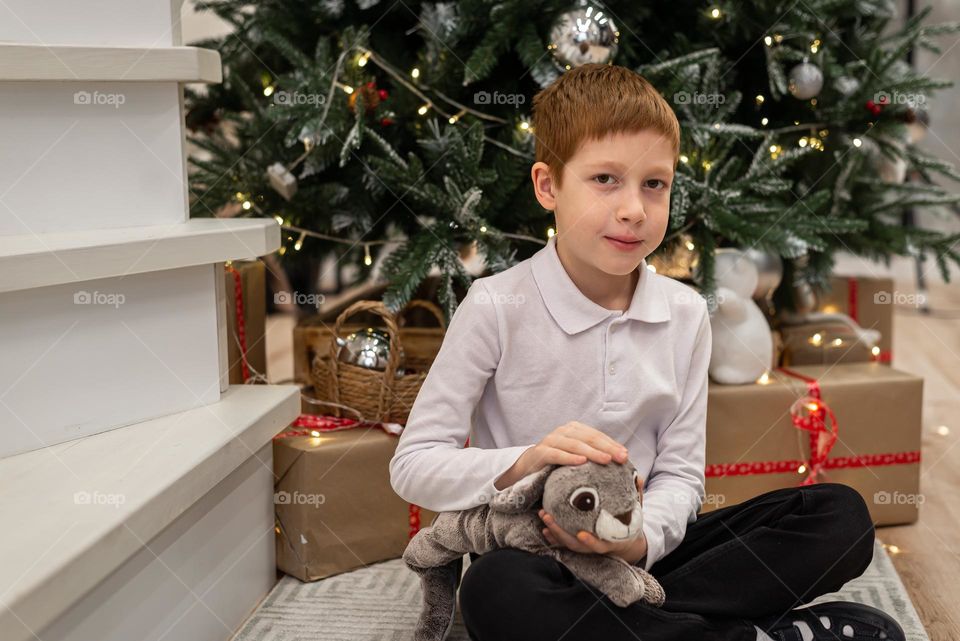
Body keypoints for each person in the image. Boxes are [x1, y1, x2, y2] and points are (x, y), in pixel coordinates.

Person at [389, 63, 903, 641]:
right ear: (548, 186)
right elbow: (413, 466)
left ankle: (644, 625)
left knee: (840, 518)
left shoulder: (684, 314)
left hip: (643, 562)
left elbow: (681, 476)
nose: (633, 208)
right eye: (605, 179)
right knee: (495, 594)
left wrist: (641, 541)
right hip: (530, 558)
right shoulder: (494, 304)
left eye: (653, 184)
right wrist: (526, 461)